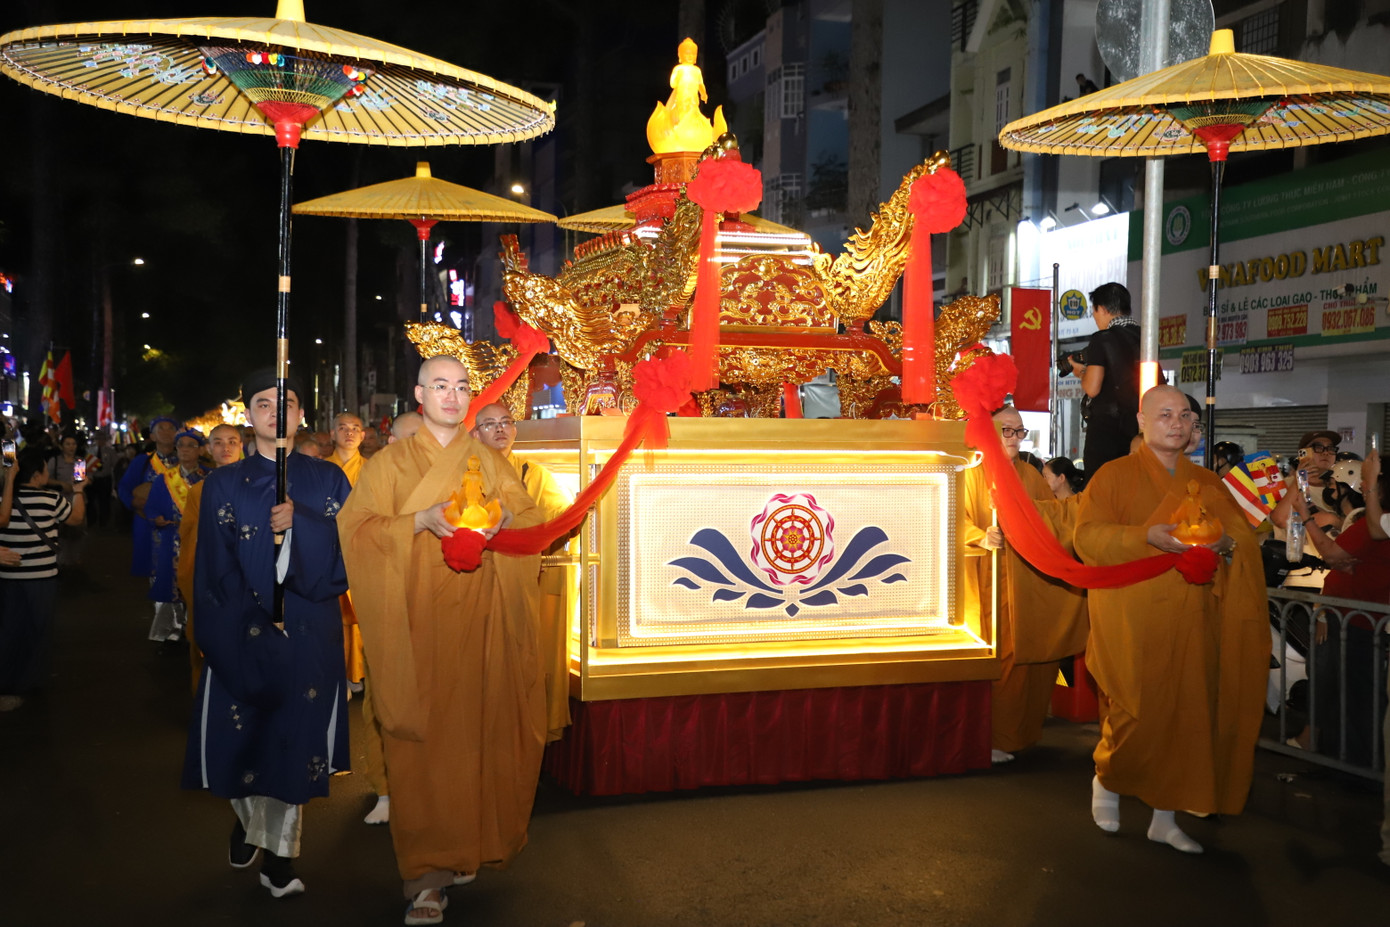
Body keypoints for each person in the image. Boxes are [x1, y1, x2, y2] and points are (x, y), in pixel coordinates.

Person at [338, 356, 545, 925]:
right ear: (419, 394)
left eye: (460, 388)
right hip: (417, 623)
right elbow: (355, 531)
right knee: (423, 741)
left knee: (479, 732)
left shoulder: (486, 457)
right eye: (440, 387)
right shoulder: (391, 463)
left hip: (482, 620)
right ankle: (425, 877)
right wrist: (417, 522)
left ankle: (467, 850)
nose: (451, 397)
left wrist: (506, 525)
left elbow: (529, 516)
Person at [1074, 385, 1268, 853]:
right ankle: (1109, 780)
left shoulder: (1206, 480)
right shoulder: (1113, 477)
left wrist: (1224, 546)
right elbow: (1088, 538)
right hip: (1132, 615)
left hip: (1192, 614)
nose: (1176, 424)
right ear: (1141, 421)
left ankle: (1165, 817)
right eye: (1164, 415)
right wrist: (1147, 537)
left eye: (1184, 415)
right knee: (1133, 713)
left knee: (1186, 718)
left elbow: (1238, 537)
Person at [181, 370, 351, 899]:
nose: (277, 412)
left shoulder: (329, 480)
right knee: (240, 737)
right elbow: (213, 567)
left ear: (303, 415)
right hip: (241, 629)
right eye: (263, 403)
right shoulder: (222, 485)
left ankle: (279, 857)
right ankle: (249, 821)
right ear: (248, 415)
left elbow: (352, 551)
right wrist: (231, 628)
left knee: (293, 745)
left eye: (289, 402)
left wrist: (303, 525)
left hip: (308, 628)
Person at [962, 407, 1088, 764]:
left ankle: (1021, 734)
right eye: (1007, 431)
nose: (1016, 439)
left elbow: (1053, 523)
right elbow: (950, 518)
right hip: (985, 583)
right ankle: (990, 737)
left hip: (1029, 583)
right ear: (987, 432)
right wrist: (979, 535)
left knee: (1031, 659)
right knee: (999, 662)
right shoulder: (969, 472)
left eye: (1021, 431)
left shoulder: (1031, 475)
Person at [471, 401, 576, 742]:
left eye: (505, 422)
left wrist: (575, 509)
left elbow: (559, 514)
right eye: (490, 424)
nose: (500, 428)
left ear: (515, 430)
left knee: (526, 660)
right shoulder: (466, 473)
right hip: (479, 581)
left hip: (528, 580)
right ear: (475, 433)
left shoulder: (534, 473)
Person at [0, 448, 85, 711]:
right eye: (45, 469)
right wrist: (80, 489)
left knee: (8, 628)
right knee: (37, 629)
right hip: (41, 578)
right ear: (37, 475)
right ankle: (28, 681)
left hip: (7, 577)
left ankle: (6, 679)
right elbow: (76, 518)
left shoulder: (4, 499)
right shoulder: (50, 498)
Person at [178, 423, 244, 692]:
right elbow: (190, 540)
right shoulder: (199, 491)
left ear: (242, 447)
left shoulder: (259, 486)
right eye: (218, 442)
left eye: (232, 442)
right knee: (208, 648)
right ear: (208, 448)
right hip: (210, 580)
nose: (225, 448)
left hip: (248, 582)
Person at [143, 429, 210, 643]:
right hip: (171, 539)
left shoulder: (210, 477)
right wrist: (157, 518)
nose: (184, 450)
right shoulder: (165, 479)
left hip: (201, 541)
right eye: (180, 445)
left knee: (199, 585)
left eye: (191, 445)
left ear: (200, 450)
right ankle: (170, 632)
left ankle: (198, 631)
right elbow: (151, 507)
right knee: (170, 587)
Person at [1069, 283, 1140, 479]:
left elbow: (1092, 388)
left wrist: (1081, 372)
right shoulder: (1145, 336)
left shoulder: (1103, 338)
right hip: (1139, 428)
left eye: (1094, 312)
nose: (1096, 318)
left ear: (1102, 309)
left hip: (1107, 430)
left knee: (1101, 487)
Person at [117, 416, 179, 581]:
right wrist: (132, 501)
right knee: (155, 571)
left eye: (171, 428)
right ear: (152, 436)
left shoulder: (185, 461)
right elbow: (124, 487)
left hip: (178, 525)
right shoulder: (142, 462)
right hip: (148, 523)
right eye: (161, 428)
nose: (166, 432)